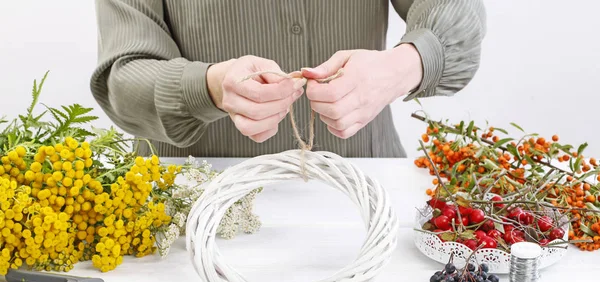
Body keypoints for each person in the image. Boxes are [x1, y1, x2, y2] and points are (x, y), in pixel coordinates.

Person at [91, 0, 486, 158]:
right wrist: (209, 86)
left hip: (365, 195)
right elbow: (123, 78)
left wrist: (400, 67)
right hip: (189, 214)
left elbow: (457, 10)